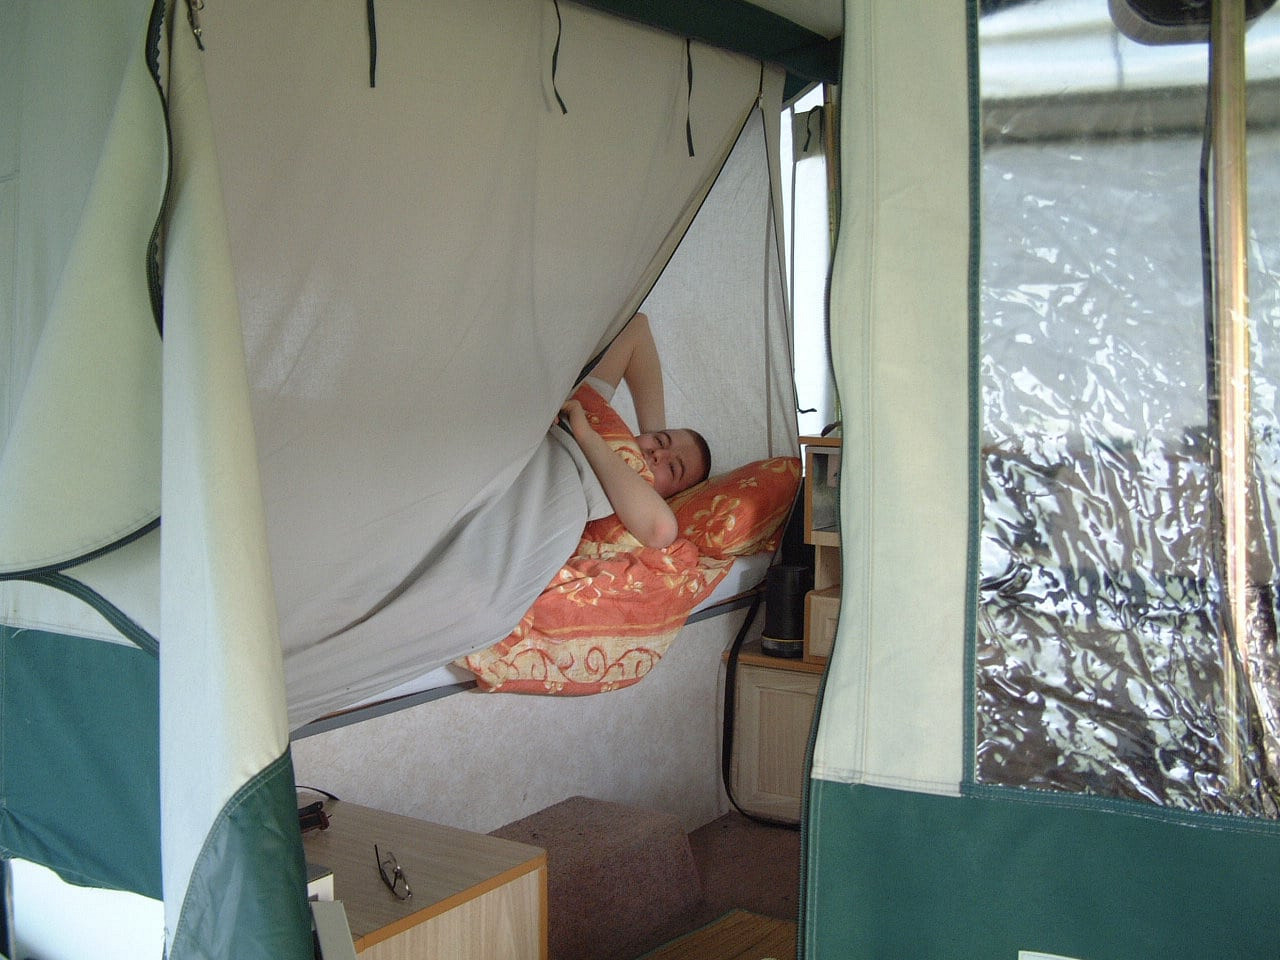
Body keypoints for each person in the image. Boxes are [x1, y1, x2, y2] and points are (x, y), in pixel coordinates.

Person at [558, 313, 711, 549]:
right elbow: (636, 328)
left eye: (672, 468)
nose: (659, 454)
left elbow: (661, 530)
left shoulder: (634, 504)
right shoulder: (599, 419)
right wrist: (655, 434)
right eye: (660, 442)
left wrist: (585, 434)